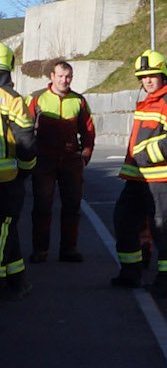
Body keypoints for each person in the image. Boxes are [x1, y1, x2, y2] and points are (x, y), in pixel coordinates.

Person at [112, 50, 167, 298]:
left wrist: (146, 155)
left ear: (163, 75)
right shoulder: (149, 101)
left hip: (160, 179)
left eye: (152, 76)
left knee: (162, 230)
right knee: (124, 221)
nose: (147, 80)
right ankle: (131, 273)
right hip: (138, 179)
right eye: (143, 76)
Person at [29, 59, 95, 263]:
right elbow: (24, 128)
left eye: (68, 77)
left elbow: (88, 131)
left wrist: (84, 156)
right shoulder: (37, 99)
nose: (64, 80)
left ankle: (69, 249)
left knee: (72, 206)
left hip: (70, 162)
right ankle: (40, 251)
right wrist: (29, 156)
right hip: (44, 162)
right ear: (52, 77)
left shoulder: (79, 101)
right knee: (42, 206)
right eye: (60, 76)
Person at [0, 42, 37, 299]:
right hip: (6, 180)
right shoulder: (12, 99)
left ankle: (17, 279)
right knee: (5, 229)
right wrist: (26, 170)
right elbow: (25, 142)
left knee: (9, 231)